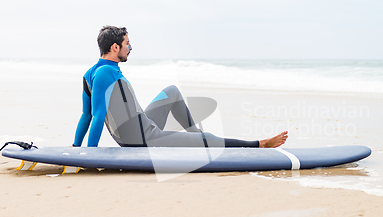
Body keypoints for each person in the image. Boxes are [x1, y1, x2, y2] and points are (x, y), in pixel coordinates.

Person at [73, 26, 288, 148]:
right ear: (114, 47)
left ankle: (196, 139)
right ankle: (259, 144)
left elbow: (85, 115)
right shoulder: (105, 73)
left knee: (172, 91)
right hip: (142, 138)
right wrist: (89, 155)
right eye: (127, 44)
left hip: (142, 126)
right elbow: (96, 116)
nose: (130, 47)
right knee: (209, 138)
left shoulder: (91, 73)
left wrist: (76, 148)